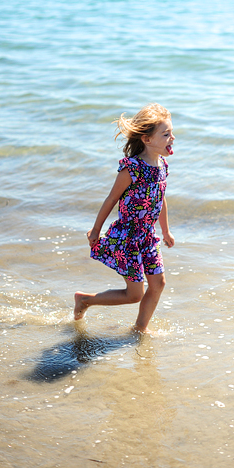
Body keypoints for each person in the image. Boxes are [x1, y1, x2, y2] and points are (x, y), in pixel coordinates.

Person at [74, 103, 176, 333]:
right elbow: (111, 199)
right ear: (147, 140)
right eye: (166, 134)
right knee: (134, 295)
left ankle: (139, 330)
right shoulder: (132, 168)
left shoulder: (162, 166)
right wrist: (96, 230)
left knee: (158, 284)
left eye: (172, 133)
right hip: (128, 237)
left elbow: (160, 199)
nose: (173, 138)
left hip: (148, 237)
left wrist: (165, 231)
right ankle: (85, 300)